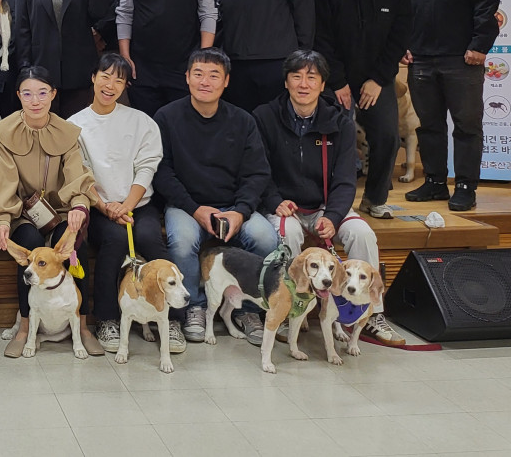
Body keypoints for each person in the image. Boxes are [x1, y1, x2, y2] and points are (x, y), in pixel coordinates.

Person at [254, 50, 404, 344]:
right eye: (296, 76)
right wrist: (273, 200)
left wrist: (333, 216)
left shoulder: (339, 122)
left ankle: (371, 312)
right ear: (286, 82)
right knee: (288, 235)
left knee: (362, 233)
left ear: (323, 84)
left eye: (312, 77)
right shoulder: (264, 117)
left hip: (327, 205)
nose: (303, 84)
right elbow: (258, 170)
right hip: (287, 207)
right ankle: (288, 310)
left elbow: (346, 179)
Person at [152, 48, 278, 346]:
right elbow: (161, 172)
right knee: (182, 241)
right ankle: (194, 307)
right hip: (187, 204)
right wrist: (194, 209)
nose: (204, 81)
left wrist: (241, 211)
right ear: (186, 78)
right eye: (198, 74)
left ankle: (249, 310)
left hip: (234, 205)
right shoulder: (166, 117)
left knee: (265, 239)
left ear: (226, 81)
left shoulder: (243, 121)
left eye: (213, 75)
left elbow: (257, 173)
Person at [397, 0, 500, 211]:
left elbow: (488, 4)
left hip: (463, 59)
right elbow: (399, 7)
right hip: (421, 60)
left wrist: (479, 46)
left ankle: (466, 186)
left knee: (467, 126)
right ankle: (435, 182)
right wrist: (403, 45)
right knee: (428, 126)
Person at [0, 66, 102, 358]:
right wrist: (2, 219)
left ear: (53, 94)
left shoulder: (67, 132)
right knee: (26, 243)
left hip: (62, 210)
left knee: (75, 243)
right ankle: (26, 326)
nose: (35, 100)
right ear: (18, 96)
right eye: (27, 93)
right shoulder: (5, 133)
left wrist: (79, 206)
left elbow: (77, 175)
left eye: (42, 93)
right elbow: (4, 181)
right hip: (22, 213)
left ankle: (84, 324)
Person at [69, 53, 177, 352]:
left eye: (119, 80)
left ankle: (171, 318)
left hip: (138, 204)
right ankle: (107, 319)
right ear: (93, 77)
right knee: (114, 240)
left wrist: (126, 205)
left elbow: (147, 167)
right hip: (99, 208)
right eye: (105, 76)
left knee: (149, 239)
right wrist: (105, 206)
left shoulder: (141, 120)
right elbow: (80, 172)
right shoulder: (75, 125)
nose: (111, 85)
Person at [316, 0, 413, 218]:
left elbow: (400, 37)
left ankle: (374, 198)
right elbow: (321, 37)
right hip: (336, 80)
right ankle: (329, 205)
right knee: (332, 140)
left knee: (387, 136)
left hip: (377, 78)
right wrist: (339, 82)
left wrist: (378, 79)